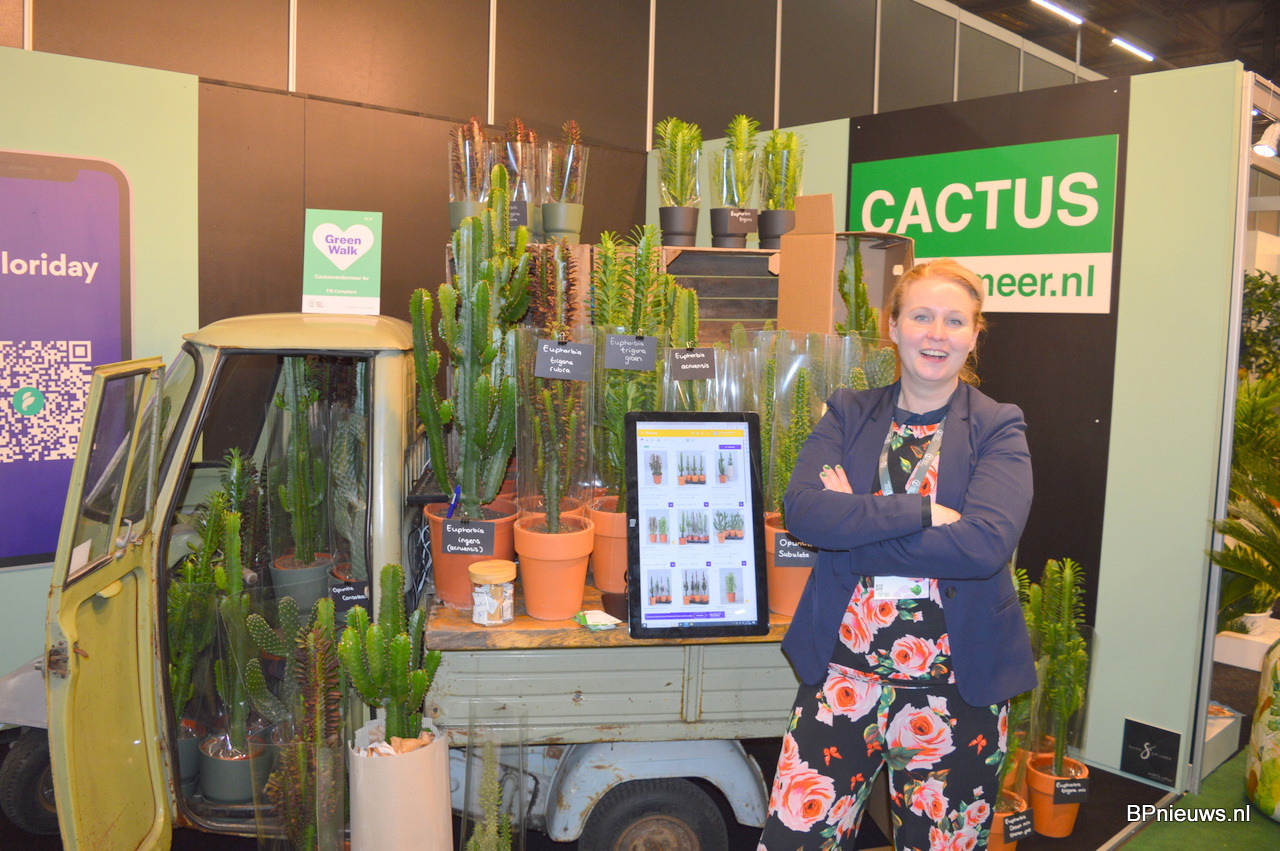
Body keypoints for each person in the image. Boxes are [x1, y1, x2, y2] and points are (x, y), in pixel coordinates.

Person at [758, 258, 1036, 850]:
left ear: (974, 335)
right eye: (921, 316)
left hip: (957, 689)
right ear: (893, 326)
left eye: (955, 321)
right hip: (842, 679)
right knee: (794, 840)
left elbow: (984, 545)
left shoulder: (998, 427)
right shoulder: (848, 413)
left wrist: (854, 531)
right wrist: (924, 511)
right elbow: (804, 511)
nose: (937, 334)